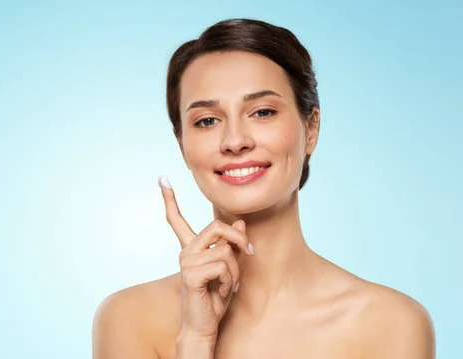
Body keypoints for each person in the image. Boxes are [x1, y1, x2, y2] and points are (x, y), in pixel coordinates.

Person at [92, 18, 435, 359]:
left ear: (311, 128)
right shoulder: (128, 318)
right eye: (207, 120)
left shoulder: (391, 324)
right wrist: (196, 338)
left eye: (262, 112)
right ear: (182, 144)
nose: (235, 141)